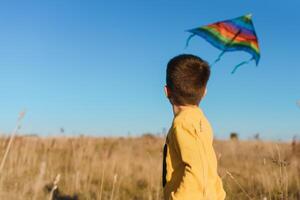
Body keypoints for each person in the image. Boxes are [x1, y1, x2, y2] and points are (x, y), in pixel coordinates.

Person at [162, 54, 226, 200]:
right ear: (204, 93)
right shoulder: (201, 121)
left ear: (167, 91)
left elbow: (197, 172)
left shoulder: (183, 124)